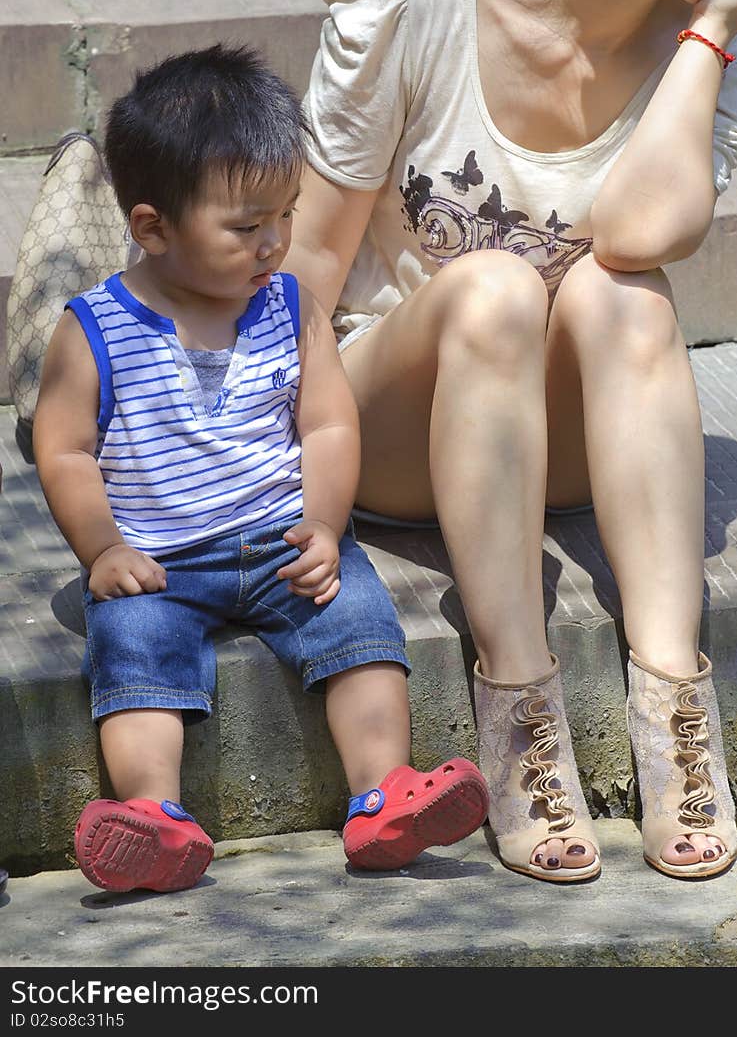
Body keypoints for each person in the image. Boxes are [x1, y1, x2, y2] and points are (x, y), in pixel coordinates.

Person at [282, 0, 737, 884]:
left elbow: (638, 234)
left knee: (626, 296)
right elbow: (311, 265)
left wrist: (712, 33)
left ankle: (675, 711)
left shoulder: (716, 46)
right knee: (490, 291)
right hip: (397, 425)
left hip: (554, 439)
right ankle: (518, 707)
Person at [32, 44, 489, 894]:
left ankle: (383, 793)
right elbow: (63, 450)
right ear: (152, 227)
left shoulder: (290, 305)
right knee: (134, 652)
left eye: (284, 216)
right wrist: (102, 549)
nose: (273, 243)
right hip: (157, 562)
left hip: (284, 539)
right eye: (245, 227)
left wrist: (323, 521)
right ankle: (154, 818)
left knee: (360, 630)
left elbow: (326, 423)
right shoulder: (95, 327)